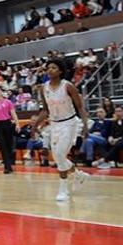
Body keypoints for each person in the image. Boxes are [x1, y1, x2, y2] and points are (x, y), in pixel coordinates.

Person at [31, 59, 90, 202]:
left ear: (61, 71)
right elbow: (45, 110)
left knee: (59, 154)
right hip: (54, 124)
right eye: (48, 68)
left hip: (69, 123)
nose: (50, 70)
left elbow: (80, 107)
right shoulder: (44, 88)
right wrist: (35, 125)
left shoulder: (68, 86)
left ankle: (63, 190)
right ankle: (77, 175)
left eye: (53, 67)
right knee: (58, 157)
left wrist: (85, 125)